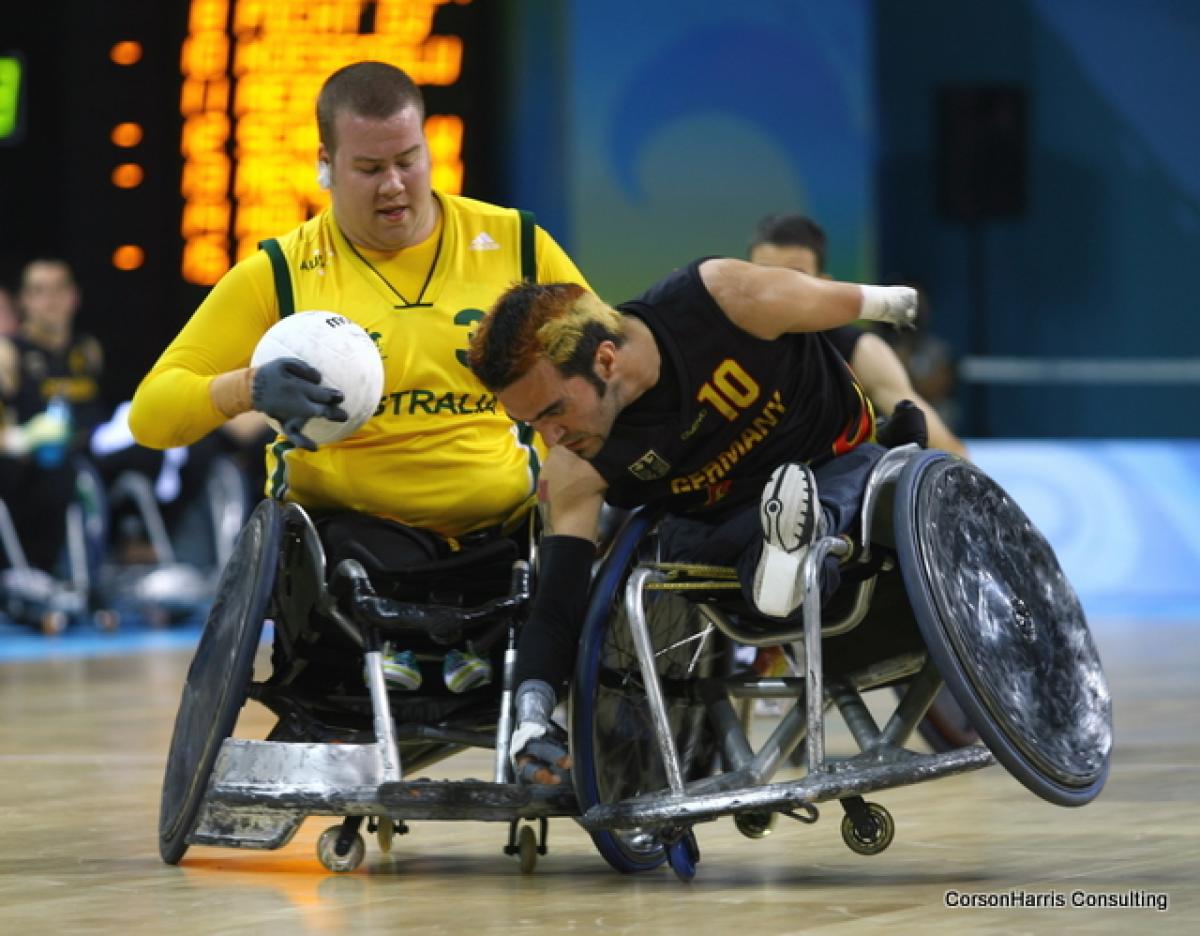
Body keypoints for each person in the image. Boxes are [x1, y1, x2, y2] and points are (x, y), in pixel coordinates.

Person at [129, 61, 589, 694]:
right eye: (370, 169)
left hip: (506, 537)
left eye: (409, 160)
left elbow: (604, 363)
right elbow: (150, 415)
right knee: (355, 551)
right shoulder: (281, 271)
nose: (395, 185)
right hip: (351, 549)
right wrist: (248, 387)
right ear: (326, 163)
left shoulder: (517, 244)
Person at [469, 258, 918, 783]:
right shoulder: (574, 468)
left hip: (832, 461)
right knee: (677, 546)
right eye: (530, 424)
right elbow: (557, 603)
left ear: (606, 360)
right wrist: (530, 715)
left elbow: (829, 300)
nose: (550, 436)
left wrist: (892, 302)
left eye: (553, 411)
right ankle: (782, 557)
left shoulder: (718, 302)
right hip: (718, 535)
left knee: (854, 477)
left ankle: (793, 545)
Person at [749, 215, 967, 458]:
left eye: (796, 278)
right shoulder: (717, 339)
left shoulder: (860, 352)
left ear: (825, 285)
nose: (780, 292)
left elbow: (950, 450)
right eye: (765, 278)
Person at [0, 258, 104, 573]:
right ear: (25, 301)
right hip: (30, 470)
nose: (51, 300)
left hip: (87, 455)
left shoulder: (88, 351)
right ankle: (36, 571)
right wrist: (21, 439)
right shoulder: (8, 353)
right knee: (58, 475)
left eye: (60, 290)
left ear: (75, 297)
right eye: (40, 291)